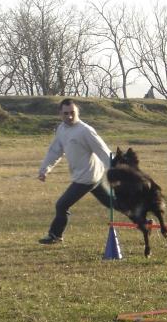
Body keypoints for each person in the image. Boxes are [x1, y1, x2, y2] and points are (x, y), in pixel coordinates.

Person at [37, 98, 114, 244]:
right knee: (112, 203)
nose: (70, 116)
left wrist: (116, 169)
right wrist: (44, 169)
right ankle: (141, 215)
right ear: (60, 113)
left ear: (77, 111)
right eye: (66, 113)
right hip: (90, 177)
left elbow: (103, 151)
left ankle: (55, 235)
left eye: (72, 113)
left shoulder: (85, 130)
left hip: (87, 177)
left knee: (62, 205)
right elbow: (55, 151)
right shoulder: (61, 129)